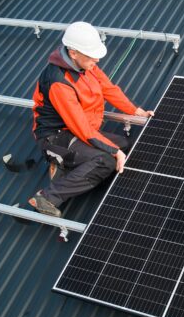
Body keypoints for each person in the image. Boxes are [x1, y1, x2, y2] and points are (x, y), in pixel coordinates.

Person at [29, 21, 152, 217]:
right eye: (91, 54)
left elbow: (108, 89)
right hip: (56, 137)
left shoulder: (86, 64)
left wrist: (135, 111)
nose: (97, 59)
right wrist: (114, 152)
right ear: (73, 53)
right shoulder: (58, 82)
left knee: (123, 143)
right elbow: (81, 128)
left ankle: (66, 163)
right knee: (106, 160)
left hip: (77, 131)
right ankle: (47, 197)